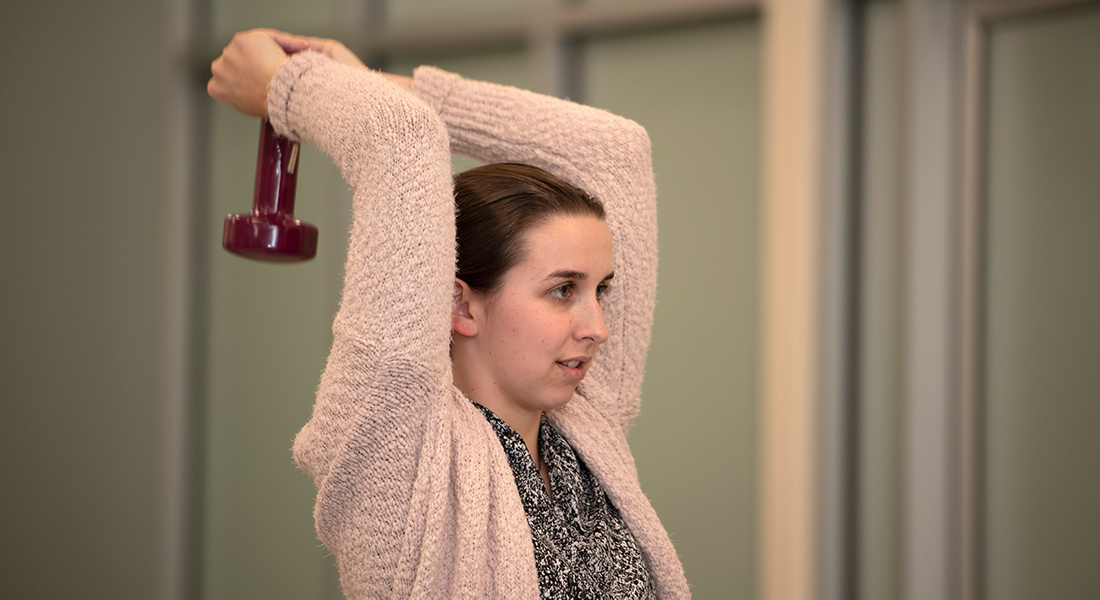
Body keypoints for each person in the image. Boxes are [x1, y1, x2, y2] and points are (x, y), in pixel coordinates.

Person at [208, 29, 690, 599]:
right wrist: (282, 88)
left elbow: (614, 150)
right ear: (460, 304)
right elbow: (400, 139)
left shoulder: (589, 428)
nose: (599, 329)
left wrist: (375, 83)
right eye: (562, 290)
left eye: (599, 291)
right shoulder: (399, 450)